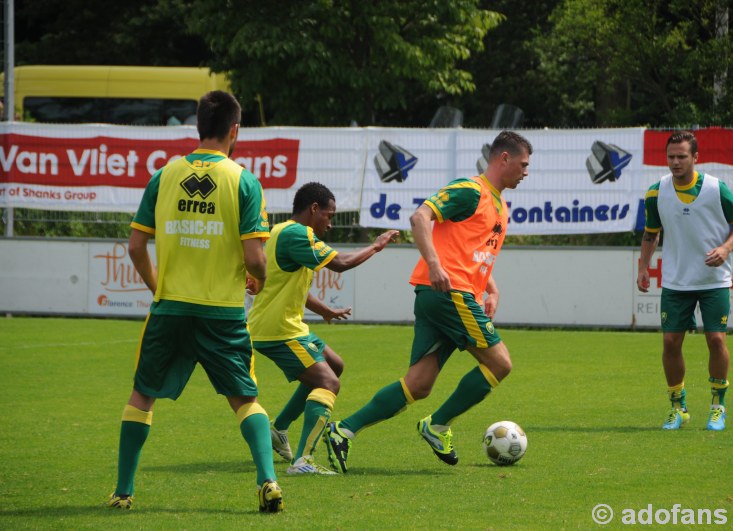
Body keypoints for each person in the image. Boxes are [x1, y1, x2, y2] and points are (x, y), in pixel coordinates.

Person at [107, 90, 284, 513]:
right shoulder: (243, 180)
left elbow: (135, 246)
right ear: (235, 130)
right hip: (221, 312)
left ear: (198, 127)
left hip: (170, 308)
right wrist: (257, 279)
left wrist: (158, 288)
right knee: (245, 398)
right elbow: (255, 258)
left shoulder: (164, 175)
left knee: (141, 395)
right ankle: (269, 482)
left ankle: (123, 492)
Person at [324, 130, 532, 472]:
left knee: (417, 385)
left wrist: (491, 289)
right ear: (503, 158)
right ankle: (437, 426)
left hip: (442, 294)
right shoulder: (470, 190)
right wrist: (435, 265)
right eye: (523, 164)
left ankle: (342, 431)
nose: (526, 172)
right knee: (500, 364)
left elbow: (471, 252)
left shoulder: (498, 203)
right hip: (450, 293)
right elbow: (420, 217)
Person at [248, 182, 398, 475]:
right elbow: (341, 263)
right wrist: (376, 246)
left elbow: (286, 286)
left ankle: (279, 429)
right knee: (328, 383)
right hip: (278, 331)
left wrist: (325, 310)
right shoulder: (297, 234)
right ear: (314, 209)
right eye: (328, 216)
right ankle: (302, 461)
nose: (330, 223)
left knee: (334, 365)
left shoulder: (281, 231)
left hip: (288, 326)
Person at [637, 130, 733, 432]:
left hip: (713, 279)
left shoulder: (716, 188)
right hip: (675, 281)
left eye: (681, 156)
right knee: (671, 342)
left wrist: (726, 248)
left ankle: (717, 406)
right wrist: (643, 267)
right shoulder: (655, 192)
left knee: (716, 339)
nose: (675, 162)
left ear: (695, 157)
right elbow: (651, 233)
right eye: (671, 156)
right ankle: (678, 407)